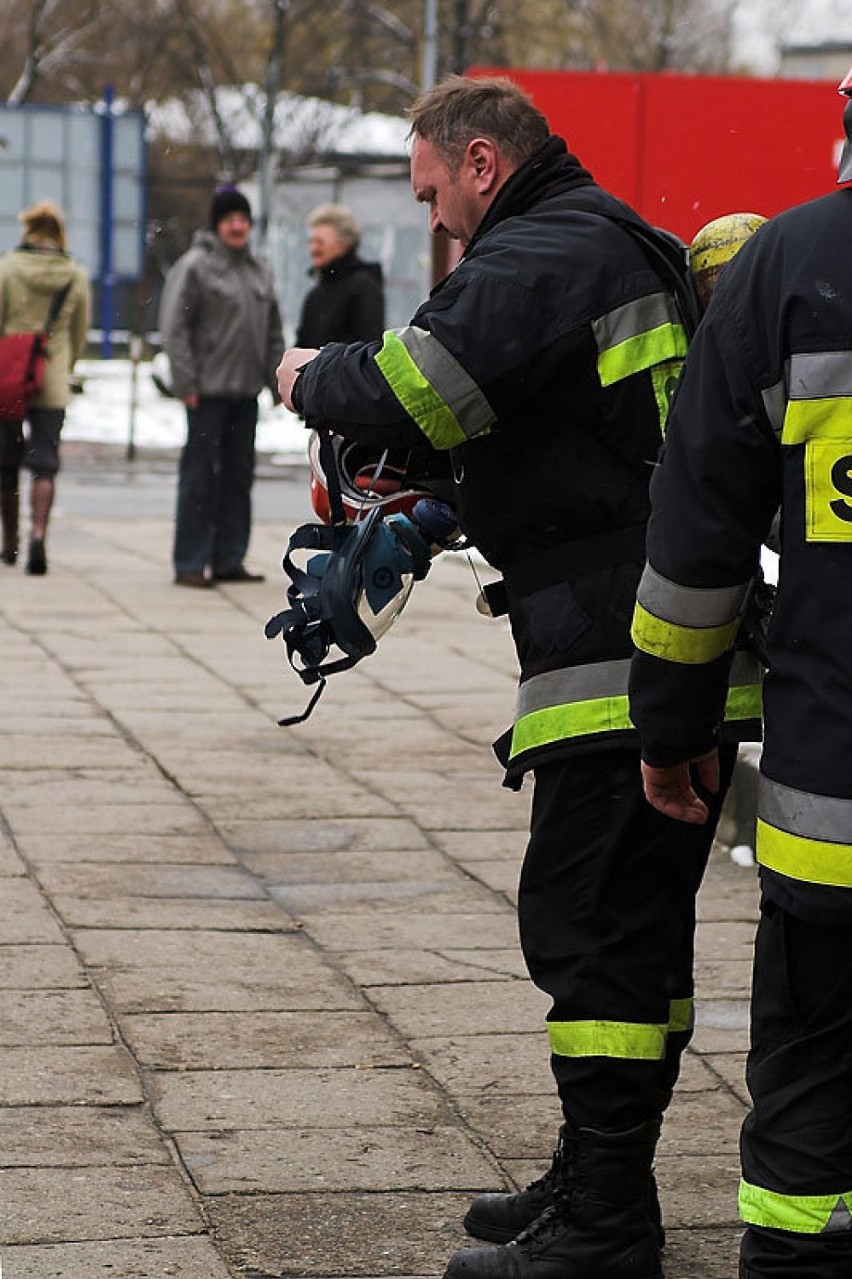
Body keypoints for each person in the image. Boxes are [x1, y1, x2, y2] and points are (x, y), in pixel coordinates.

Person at [277, 75, 762, 1279]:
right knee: (629, 931)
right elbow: (564, 434)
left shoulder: (545, 249)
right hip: (654, 632)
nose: (437, 220)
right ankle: (596, 1173)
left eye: (435, 193)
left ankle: (603, 1222)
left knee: (592, 930)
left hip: (619, 646)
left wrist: (302, 376)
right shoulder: (600, 239)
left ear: (482, 161)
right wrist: (448, 502)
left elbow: (409, 384)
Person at [629, 67, 852, 1279]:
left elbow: (696, 543)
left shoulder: (784, 271)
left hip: (836, 813)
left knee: (813, 1094)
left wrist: (671, 730)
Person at [159, 186, 284, 588]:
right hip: (206, 392)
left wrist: (277, 381)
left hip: (244, 394)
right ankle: (191, 562)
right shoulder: (195, 266)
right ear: (217, 223)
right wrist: (186, 382)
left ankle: (229, 558)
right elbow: (174, 328)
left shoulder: (259, 269)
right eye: (231, 219)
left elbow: (272, 331)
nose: (238, 226)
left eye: (244, 219)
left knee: (237, 477)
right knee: (200, 478)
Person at [0, 200, 89, 575]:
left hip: (10, 378)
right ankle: (39, 534)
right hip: (51, 378)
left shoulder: (7, 269)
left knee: (6, 464)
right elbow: (79, 331)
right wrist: (65, 367)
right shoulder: (74, 274)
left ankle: (11, 544)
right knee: (44, 463)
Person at [295, 203, 384, 347]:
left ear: (345, 244)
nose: (313, 249)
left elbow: (369, 348)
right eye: (311, 242)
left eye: (320, 242)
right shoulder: (315, 295)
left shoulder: (364, 288)